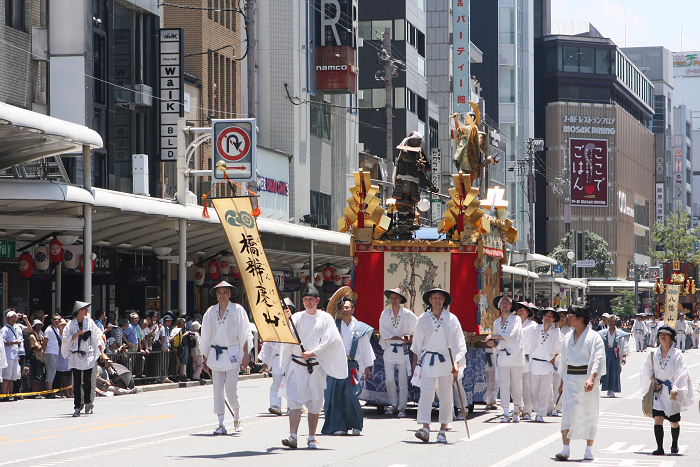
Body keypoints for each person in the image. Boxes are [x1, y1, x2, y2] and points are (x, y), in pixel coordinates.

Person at [279, 283, 347, 450]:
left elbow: (331, 340)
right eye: (305, 299)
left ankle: (311, 437)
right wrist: (285, 321)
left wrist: (313, 352)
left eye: (310, 299)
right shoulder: (296, 318)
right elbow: (286, 338)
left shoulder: (325, 318)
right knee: (294, 402)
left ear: (317, 300)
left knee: (314, 403)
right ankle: (293, 436)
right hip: (296, 366)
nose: (307, 302)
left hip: (314, 367)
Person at [412, 288, 466, 444]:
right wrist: (416, 366)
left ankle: (442, 430)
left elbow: (459, 343)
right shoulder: (422, 318)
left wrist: (456, 363)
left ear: (444, 300)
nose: (437, 301)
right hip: (428, 360)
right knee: (426, 394)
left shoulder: (452, 319)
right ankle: (425, 428)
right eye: (434, 298)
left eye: (440, 298)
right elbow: (417, 344)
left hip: (446, 362)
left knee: (446, 396)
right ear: (429, 300)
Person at [200, 281, 253, 435]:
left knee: (230, 389)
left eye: (225, 292)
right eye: (219, 292)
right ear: (216, 295)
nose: (222, 295)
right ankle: (221, 423)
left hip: (233, 352)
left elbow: (245, 333)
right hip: (215, 353)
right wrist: (205, 358)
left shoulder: (238, 310)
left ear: (230, 294)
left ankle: (237, 416)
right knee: (217, 390)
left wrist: (245, 355)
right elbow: (205, 336)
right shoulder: (210, 312)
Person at [555, 305, 606, 461]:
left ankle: (589, 449)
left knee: (589, 413)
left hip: (586, 379)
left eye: (571, 315)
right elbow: (563, 361)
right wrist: (562, 382)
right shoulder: (567, 338)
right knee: (568, 412)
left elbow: (597, 358)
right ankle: (565, 448)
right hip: (570, 378)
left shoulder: (594, 337)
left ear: (580, 318)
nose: (567, 317)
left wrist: (592, 378)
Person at [322, 295, 375, 435]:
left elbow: (365, 347)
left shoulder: (360, 328)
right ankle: (339, 426)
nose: (344, 310)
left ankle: (356, 423)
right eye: (342, 308)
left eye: (347, 307)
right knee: (335, 395)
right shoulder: (333, 325)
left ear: (353, 309)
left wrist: (366, 367)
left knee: (351, 395)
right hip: (336, 365)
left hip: (351, 365)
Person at [640, 324, 694, 455]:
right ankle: (660, 447)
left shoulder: (677, 354)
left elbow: (681, 372)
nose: (662, 337)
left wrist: (676, 387)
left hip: (671, 392)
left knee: (674, 422)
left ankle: (674, 444)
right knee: (658, 418)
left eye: (665, 335)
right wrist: (653, 381)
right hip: (658, 391)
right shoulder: (652, 353)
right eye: (660, 334)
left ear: (671, 337)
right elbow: (646, 370)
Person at [378, 288, 418, 418]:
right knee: (389, 380)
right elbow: (383, 333)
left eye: (396, 298)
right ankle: (394, 405)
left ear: (400, 299)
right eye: (392, 298)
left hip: (402, 350)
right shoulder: (384, 314)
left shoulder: (408, 314)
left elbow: (416, 331)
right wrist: (398, 337)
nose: (393, 300)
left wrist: (409, 337)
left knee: (402, 381)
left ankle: (402, 408)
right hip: (389, 349)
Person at [61, 301, 104, 417]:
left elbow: (96, 338)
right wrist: (77, 334)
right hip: (75, 355)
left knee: (88, 380)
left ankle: (88, 403)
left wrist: (102, 352)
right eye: (84, 309)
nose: (87, 311)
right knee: (77, 382)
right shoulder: (70, 324)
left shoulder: (90, 322)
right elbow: (65, 338)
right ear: (78, 311)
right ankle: (77, 406)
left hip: (88, 355)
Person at [486, 295, 524, 423]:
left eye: (507, 303)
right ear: (499, 306)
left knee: (516, 385)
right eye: (503, 303)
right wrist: (493, 343)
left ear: (511, 306)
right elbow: (498, 342)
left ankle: (517, 410)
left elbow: (512, 336)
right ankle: (506, 412)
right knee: (504, 384)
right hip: (502, 355)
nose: (505, 305)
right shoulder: (496, 322)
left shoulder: (516, 319)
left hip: (515, 355)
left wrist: (494, 335)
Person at [259, 298, 296, 416]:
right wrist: (265, 360)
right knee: (276, 383)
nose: (285, 310)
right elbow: (268, 343)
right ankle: (275, 405)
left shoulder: (295, 323)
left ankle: (292, 406)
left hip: (291, 358)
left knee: (291, 382)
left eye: (286, 308)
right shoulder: (273, 324)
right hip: (277, 357)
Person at [529, 307, 562, 422]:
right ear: (542, 317)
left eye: (550, 316)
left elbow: (561, 348)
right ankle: (537, 408)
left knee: (545, 391)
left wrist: (555, 357)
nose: (548, 318)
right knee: (533, 391)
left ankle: (540, 413)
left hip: (547, 364)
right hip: (535, 362)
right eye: (546, 316)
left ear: (553, 319)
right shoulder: (535, 328)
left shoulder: (556, 331)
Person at [598, 314, 630, 398]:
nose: (611, 323)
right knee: (606, 372)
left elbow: (624, 345)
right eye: (609, 321)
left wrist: (624, 356)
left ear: (616, 322)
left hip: (616, 355)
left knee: (615, 372)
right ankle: (608, 389)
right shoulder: (603, 333)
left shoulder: (620, 333)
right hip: (606, 354)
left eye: (613, 321)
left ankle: (612, 389)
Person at [517, 302, 537, 420]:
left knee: (527, 385)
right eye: (519, 309)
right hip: (515, 356)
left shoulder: (533, 324)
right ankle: (518, 407)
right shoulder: (512, 323)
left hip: (528, 357)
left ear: (528, 312)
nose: (521, 311)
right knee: (515, 385)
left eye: (524, 309)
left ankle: (528, 410)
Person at [1, 310, 24, 401]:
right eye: (12, 317)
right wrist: (13, 342)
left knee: (12, 377)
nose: (14, 319)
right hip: (7, 356)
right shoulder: (5, 329)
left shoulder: (17, 328)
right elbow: (2, 342)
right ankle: (3, 395)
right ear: (7, 319)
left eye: (15, 317)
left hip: (15, 355)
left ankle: (8, 394)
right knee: (6, 377)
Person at [43, 314, 63, 398]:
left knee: (53, 371)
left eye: (59, 319)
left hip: (55, 352)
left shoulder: (57, 330)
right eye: (55, 319)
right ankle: (49, 391)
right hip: (50, 352)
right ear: (52, 320)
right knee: (50, 371)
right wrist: (43, 351)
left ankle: (50, 390)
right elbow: (45, 341)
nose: (57, 321)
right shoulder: (49, 329)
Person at [27, 319, 46, 396]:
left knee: (40, 376)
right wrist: (43, 345)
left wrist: (42, 346)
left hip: (41, 357)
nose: (39, 327)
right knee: (36, 375)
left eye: (40, 325)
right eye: (37, 325)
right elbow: (37, 348)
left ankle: (37, 392)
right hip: (35, 357)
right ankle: (33, 392)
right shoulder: (32, 336)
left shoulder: (41, 335)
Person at [171, 317, 191, 382]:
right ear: (178, 323)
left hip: (180, 347)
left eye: (184, 323)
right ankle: (175, 376)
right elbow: (173, 339)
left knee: (180, 362)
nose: (183, 324)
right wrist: (174, 347)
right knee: (176, 362)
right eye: (181, 323)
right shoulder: (175, 329)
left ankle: (179, 375)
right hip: (176, 347)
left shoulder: (182, 329)